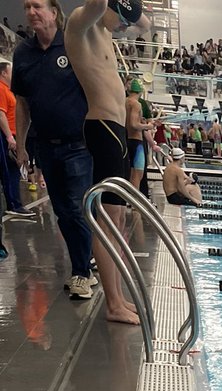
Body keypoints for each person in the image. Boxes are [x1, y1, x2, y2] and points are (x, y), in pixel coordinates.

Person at [65, 0, 151, 325]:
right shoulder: (82, 23)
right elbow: (99, 5)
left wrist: (129, 10)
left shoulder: (106, 29)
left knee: (117, 219)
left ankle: (117, 297)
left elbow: (143, 24)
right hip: (102, 128)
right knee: (108, 221)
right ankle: (113, 304)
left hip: (116, 132)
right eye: (122, 20)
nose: (125, 28)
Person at [11, 0, 96, 299]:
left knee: (76, 208)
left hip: (78, 145)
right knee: (62, 212)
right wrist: (21, 145)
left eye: (37, 6)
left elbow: (95, 87)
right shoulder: (23, 52)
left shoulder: (73, 42)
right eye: (27, 7)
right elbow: (22, 104)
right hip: (45, 146)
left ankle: (82, 272)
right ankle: (84, 264)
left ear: (54, 12)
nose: (30, 12)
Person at [0, 57, 29, 214]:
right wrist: (9, 137)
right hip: (7, 135)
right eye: (11, 72)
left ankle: (15, 203)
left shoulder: (9, 90)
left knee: (14, 170)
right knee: (10, 170)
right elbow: (1, 114)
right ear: (4, 73)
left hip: (13, 134)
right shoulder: (1, 89)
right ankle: (14, 204)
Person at [124, 76, 150, 191]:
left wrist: (141, 120)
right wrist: (147, 126)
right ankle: (133, 200)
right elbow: (134, 124)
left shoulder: (124, 101)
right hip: (136, 142)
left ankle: (125, 198)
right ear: (141, 90)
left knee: (127, 173)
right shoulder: (136, 104)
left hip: (125, 139)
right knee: (137, 174)